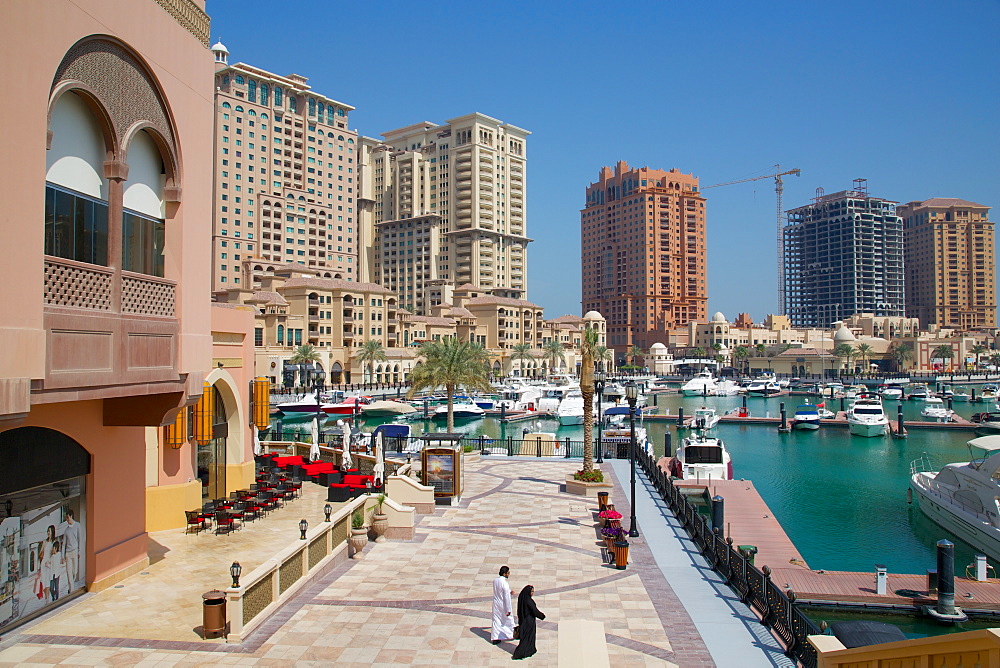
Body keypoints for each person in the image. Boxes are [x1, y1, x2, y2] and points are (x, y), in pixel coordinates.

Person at [512, 585, 545, 660]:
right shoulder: (529, 601)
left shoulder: (522, 598)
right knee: (529, 636)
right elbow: (534, 610)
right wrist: (541, 616)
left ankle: (529, 650)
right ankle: (521, 652)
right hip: (529, 621)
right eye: (532, 591)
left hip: (523, 620)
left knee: (526, 636)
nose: (532, 593)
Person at [490, 565, 514, 644]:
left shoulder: (495, 580)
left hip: (496, 603)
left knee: (496, 620)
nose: (509, 574)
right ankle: (510, 634)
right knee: (508, 619)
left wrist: (509, 591)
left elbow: (500, 589)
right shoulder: (505, 583)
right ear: (504, 574)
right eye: (508, 573)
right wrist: (508, 610)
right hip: (503, 604)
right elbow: (506, 598)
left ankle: (495, 637)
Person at [62, 508, 80, 589]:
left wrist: (79, 551)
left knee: (74, 571)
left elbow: (80, 539)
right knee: (68, 571)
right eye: (66, 518)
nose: (67, 520)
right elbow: (63, 544)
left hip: (75, 550)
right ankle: (71, 588)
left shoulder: (77, 526)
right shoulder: (66, 530)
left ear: (71, 516)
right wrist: (63, 556)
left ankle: (72, 584)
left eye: (68, 517)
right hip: (68, 553)